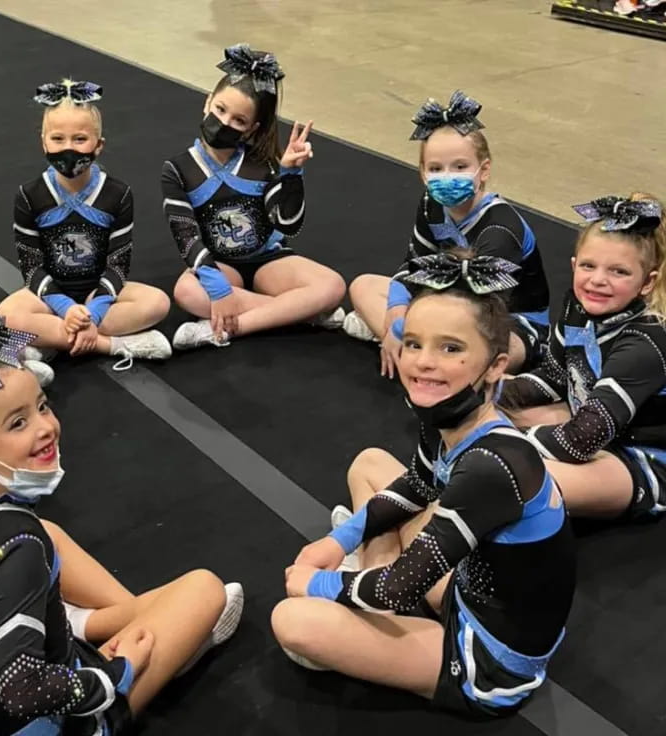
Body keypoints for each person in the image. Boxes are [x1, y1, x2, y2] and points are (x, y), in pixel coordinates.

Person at [0, 314, 244, 734]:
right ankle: (107, 637)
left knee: (48, 546)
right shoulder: (20, 545)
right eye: (18, 423)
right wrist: (116, 674)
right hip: (58, 722)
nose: (47, 427)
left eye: (41, 406)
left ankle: (76, 624)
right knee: (204, 589)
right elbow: (22, 689)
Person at [273, 252, 575, 718]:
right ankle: (370, 601)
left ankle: (368, 610)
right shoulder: (445, 414)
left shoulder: (494, 465)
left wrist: (319, 582)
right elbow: (417, 483)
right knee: (370, 463)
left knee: (292, 620)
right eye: (413, 344)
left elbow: (397, 589)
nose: (424, 363)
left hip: (491, 659)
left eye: (451, 349)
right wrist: (337, 540)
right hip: (469, 587)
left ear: (495, 366)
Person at [345, 91, 550, 377]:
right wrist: (395, 316)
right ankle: (417, 351)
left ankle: (413, 354)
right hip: (446, 295)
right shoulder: (432, 205)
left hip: (508, 323)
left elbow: (477, 309)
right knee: (364, 286)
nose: (447, 176)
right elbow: (412, 266)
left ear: (484, 170)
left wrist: (407, 327)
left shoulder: (500, 228)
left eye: (460, 167)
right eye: (436, 168)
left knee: (482, 351)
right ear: (422, 173)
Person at [162, 44, 345, 350]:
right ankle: (296, 312)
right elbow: (186, 236)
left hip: (267, 260)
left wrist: (291, 175)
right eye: (220, 110)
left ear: (251, 129)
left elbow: (289, 225)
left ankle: (227, 328)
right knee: (186, 291)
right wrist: (219, 290)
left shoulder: (264, 163)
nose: (225, 123)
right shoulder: (178, 169)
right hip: (219, 264)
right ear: (207, 102)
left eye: (238, 121)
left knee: (333, 285)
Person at [500, 194, 666, 518]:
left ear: (648, 282)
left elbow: (581, 440)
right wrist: (485, 393)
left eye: (618, 272)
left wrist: (493, 440)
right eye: (589, 266)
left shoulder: (644, 343)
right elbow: (553, 378)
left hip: (638, 456)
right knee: (474, 412)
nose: (598, 280)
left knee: (505, 478)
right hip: (593, 422)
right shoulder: (578, 308)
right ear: (574, 264)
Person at [0, 80, 172, 375]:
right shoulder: (30, 195)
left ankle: (49, 343)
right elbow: (31, 267)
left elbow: (118, 264)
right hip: (51, 295)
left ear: (98, 145)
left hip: (100, 293)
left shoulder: (117, 193)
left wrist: (95, 310)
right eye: (58, 139)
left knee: (158, 302)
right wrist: (66, 308)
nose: (68, 148)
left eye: (79, 139)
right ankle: (113, 345)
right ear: (43, 142)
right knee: (4, 316)